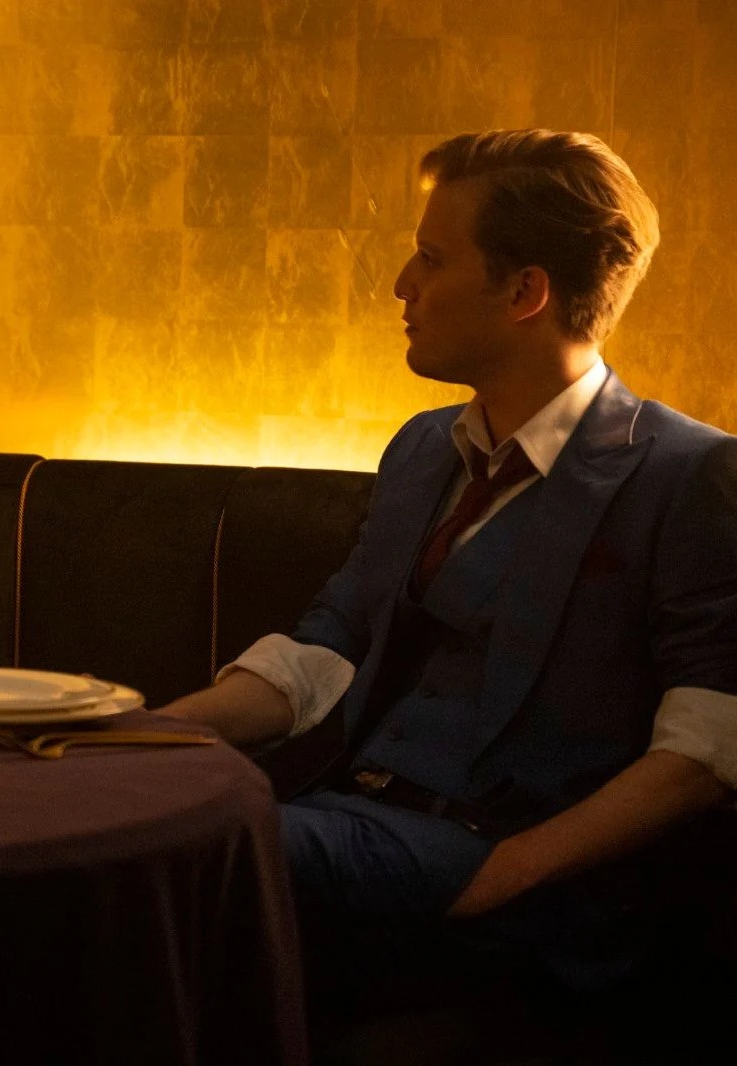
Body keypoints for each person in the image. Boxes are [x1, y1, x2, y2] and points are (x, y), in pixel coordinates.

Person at [161, 130, 737, 1028]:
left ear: (525, 292)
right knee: (127, 816)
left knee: (180, 851)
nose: (401, 283)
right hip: (345, 812)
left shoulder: (690, 474)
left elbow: (707, 748)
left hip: (507, 867)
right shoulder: (423, 448)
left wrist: (508, 872)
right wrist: (141, 734)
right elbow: (327, 647)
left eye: (431, 258)